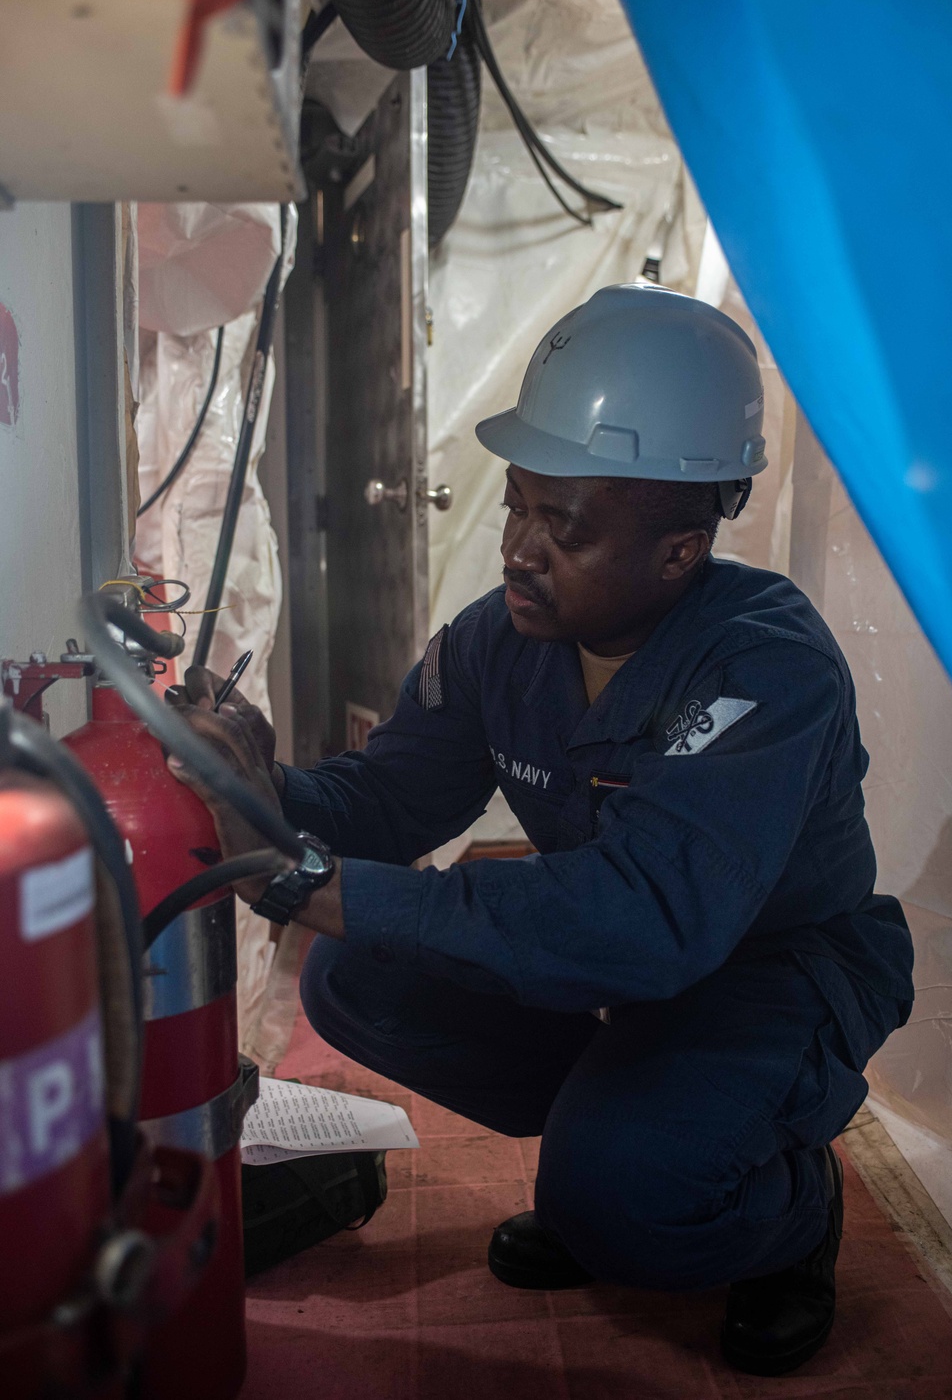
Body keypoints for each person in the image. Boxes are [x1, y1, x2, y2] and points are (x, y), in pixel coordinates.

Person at [171, 285, 913, 1377]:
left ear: (678, 549)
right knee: (354, 977)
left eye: (560, 525)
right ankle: (619, 1136)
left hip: (773, 972)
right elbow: (390, 802)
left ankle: (788, 1209)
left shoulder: (765, 668)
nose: (517, 546)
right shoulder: (501, 640)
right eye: (517, 504)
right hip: (632, 961)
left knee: (629, 1198)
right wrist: (263, 787)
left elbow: (648, 919)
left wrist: (310, 880)